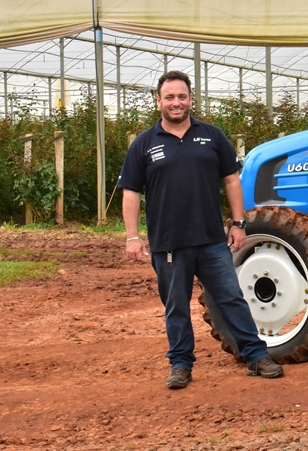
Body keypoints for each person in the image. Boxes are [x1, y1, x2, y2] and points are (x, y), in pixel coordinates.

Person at [119, 71, 283, 390]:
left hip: (211, 240)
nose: (176, 102)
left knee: (231, 299)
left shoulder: (212, 136)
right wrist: (133, 237)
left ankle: (255, 355)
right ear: (159, 101)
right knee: (175, 306)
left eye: (182, 96)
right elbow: (130, 192)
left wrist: (238, 223)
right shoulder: (144, 144)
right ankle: (181, 364)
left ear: (191, 99)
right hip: (169, 243)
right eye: (169, 97)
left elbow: (231, 180)